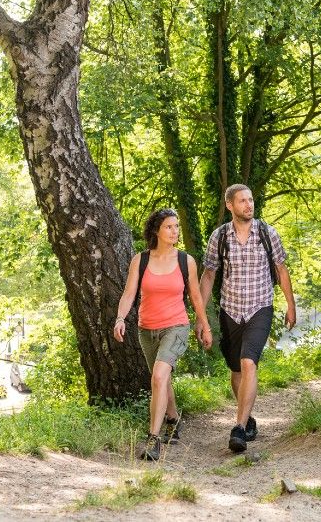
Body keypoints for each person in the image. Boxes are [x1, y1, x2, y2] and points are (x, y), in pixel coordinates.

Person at [198, 184, 296, 453]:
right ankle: (248, 416)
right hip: (230, 310)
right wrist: (200, 316)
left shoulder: (267, 233)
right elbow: (208, 276)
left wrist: (291, 304)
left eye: (251, 200)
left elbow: (281, 269)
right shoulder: (219, 237)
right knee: (236, 370)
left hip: (260, 307)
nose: (248, 205)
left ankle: (239, 427)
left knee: (248, 361)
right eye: (242, 201)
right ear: (230, 205)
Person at [113, 208, 213, 461]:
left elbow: (195, 296)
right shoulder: (141, 260)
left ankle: (153, 440)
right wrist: (120, 318)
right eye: (169, 226)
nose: (175, 231)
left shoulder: (185, 261)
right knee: (163, 378)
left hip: (176, 326)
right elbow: (129, 294)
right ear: (156, 230)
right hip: (147, 329)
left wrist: (204, 324)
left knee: (158, 376)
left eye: (177, 226)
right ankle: (172, 418)